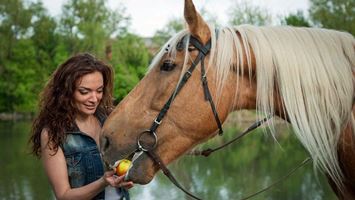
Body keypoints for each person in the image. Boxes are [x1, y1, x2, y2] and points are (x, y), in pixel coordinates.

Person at [30, 53, 133, 200]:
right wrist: (103, 182)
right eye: (84, 92)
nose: (94, 99)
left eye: (99, 90)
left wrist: (127, 177)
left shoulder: (110, 120)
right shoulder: (53, 133)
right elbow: (64, 195)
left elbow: (127, 161)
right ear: (66, 91)